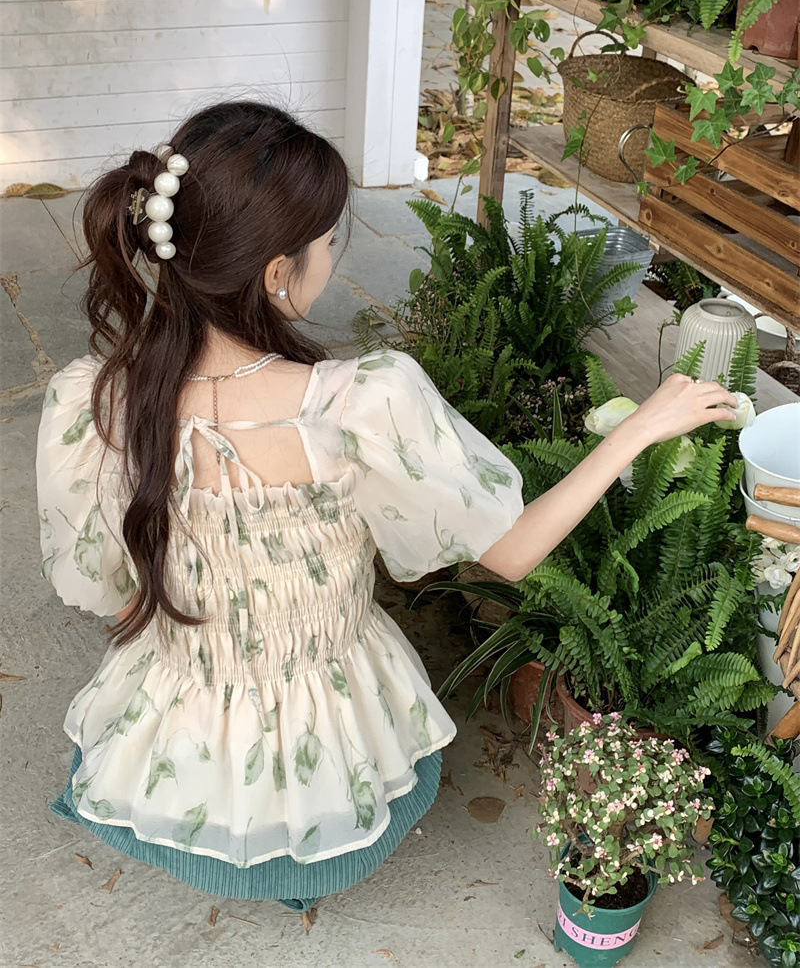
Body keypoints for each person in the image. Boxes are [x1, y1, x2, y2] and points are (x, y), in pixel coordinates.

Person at [37, 100, 738, 921]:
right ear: (277, 272)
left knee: (216, 807)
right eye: (331, 241)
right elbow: (511, 553)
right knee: (331, 805)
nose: (334, 259)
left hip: (185, 707)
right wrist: (637, 430)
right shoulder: (356, 404)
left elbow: (107, 586)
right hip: (331, 714)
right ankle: (302, 867)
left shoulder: (103, 401)